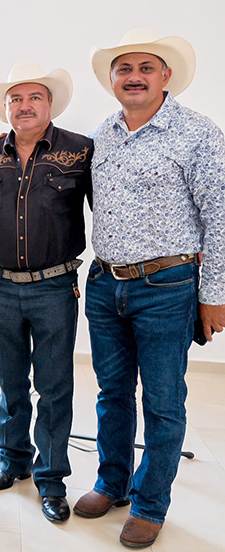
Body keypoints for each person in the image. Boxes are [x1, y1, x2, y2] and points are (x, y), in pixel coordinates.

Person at [75, 29, 225, 548]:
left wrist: (214, 294)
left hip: (167, 287)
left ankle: (150, 503)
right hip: (104, 284)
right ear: (112, 79)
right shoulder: (103, 133)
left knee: (162, 401)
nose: (133, 77)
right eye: (124, 69)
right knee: (112, 394)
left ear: (166, 76)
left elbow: (219, 219)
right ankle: (112, 483)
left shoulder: (198, 133)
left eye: (145, 68)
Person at [0, 62, 92, 521]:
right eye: (16, 99)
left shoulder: (80, 151)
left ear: (50, 104)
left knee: (54, 386)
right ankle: (13, 461)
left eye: (34, 98)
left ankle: (51, 479)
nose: (24, 106)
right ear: (6, 107)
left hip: (54, 288)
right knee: (10, 385)